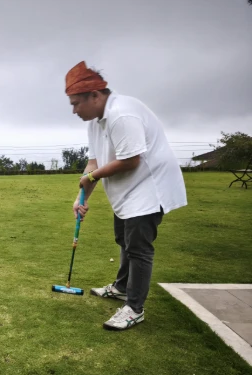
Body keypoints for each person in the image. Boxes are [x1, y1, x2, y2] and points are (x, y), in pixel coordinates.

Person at [65, 61, 187, 331]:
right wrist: (81, 197)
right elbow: (93, 165)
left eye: (76, 103)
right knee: (123, 238)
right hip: (129, 190)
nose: (73, 110)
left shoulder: (122, 114)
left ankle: (134, 308)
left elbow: (130, 160)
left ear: (95, 95)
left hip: (150, 188)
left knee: (139, 249)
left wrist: (92, 178)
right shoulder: (95, 121)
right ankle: (121, 287)